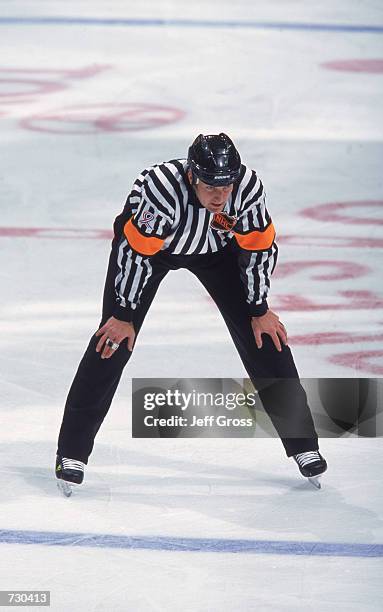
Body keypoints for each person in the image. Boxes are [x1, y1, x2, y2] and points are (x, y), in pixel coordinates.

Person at [55, 133, 327, 492]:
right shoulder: (161, 188)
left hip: (217, 253)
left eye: (226, 186)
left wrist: (259, 308)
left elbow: (259, 248)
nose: (220, 196)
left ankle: (304, 447)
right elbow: (136, 253)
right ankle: (71, 452)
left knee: (265, 339)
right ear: (191, 177)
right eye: (211, 186)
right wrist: (123, 314)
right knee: (112, 343)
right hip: (152, 253)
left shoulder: (247, 187)